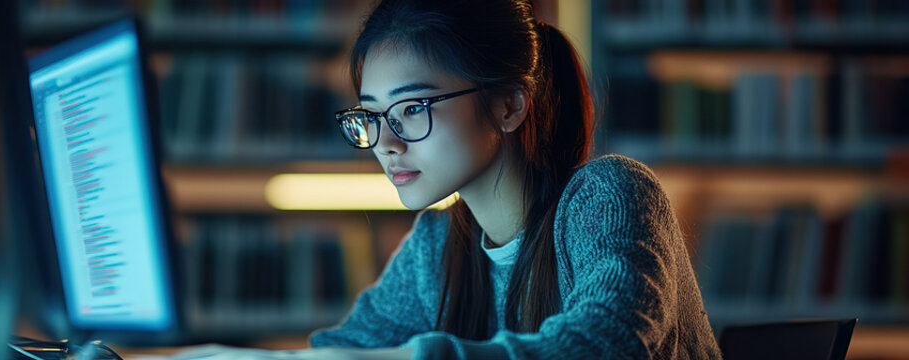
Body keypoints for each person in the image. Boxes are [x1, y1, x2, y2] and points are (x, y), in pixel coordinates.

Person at [193, 0, 721, 358]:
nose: (385, 142)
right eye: (372, 115)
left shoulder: (610, 193)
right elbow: (346, 350)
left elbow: (606, 342)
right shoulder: (436, 243)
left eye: (413, 107)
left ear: (510, 105)